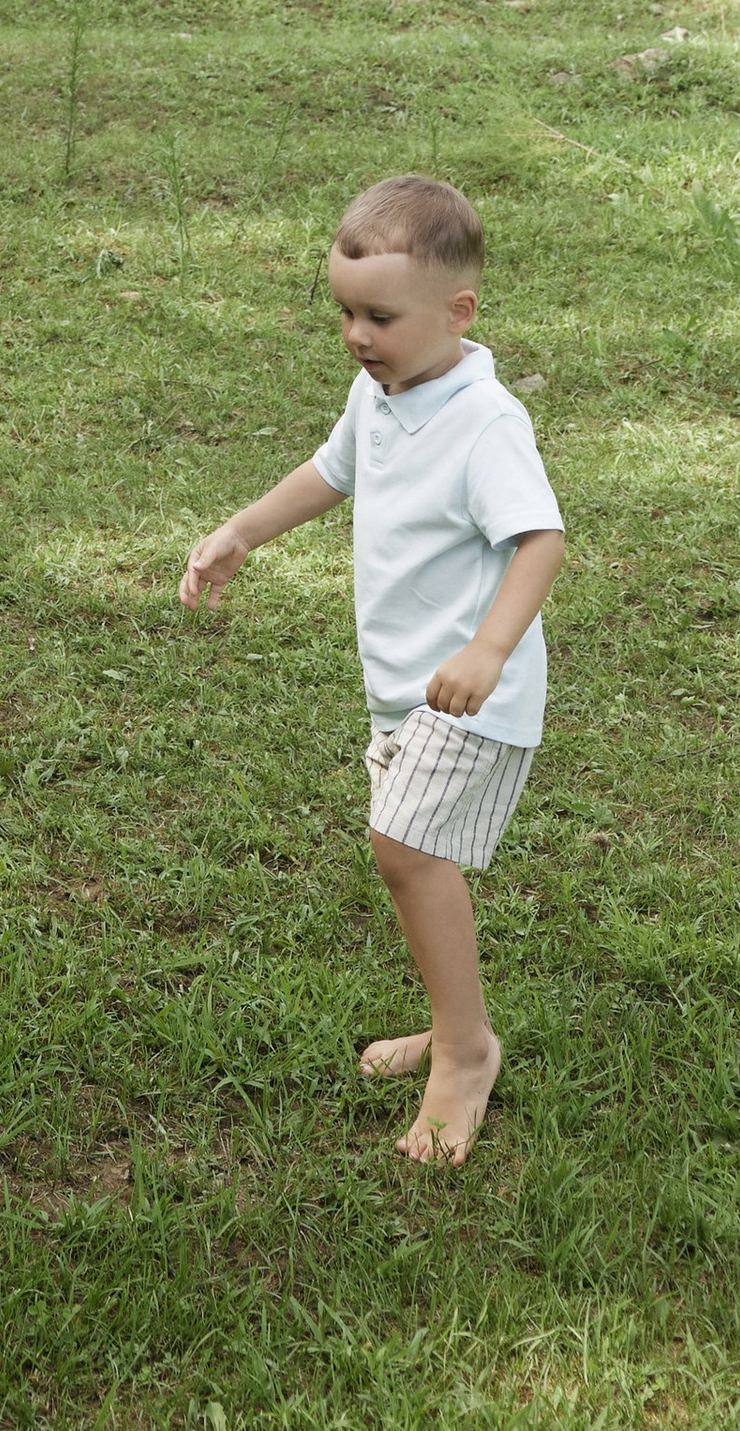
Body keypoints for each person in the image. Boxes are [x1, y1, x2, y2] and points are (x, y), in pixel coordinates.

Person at [179, 173, 564, 1165]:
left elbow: (539, 542)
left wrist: (487, 648)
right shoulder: (382, 390)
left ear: (457, 311)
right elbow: (332, 469)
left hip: (471, 690)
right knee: (411, 858)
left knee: (402, 851)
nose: (355, 334)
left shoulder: (484, 422)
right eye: (344, 312)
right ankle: (451, 1024)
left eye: (379, 316)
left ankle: (466, 1054)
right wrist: (241, 533)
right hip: (402, 688)